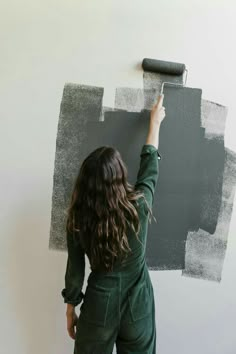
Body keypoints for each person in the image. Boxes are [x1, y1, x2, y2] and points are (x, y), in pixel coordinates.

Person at [61, 94, 166, 354]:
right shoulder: (138, 208)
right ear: (120, 178)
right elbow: (150, 170)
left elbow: (75, 271)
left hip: (100, 305)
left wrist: (70, 308)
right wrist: (155, 124)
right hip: (137, 308)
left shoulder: (77, 218)